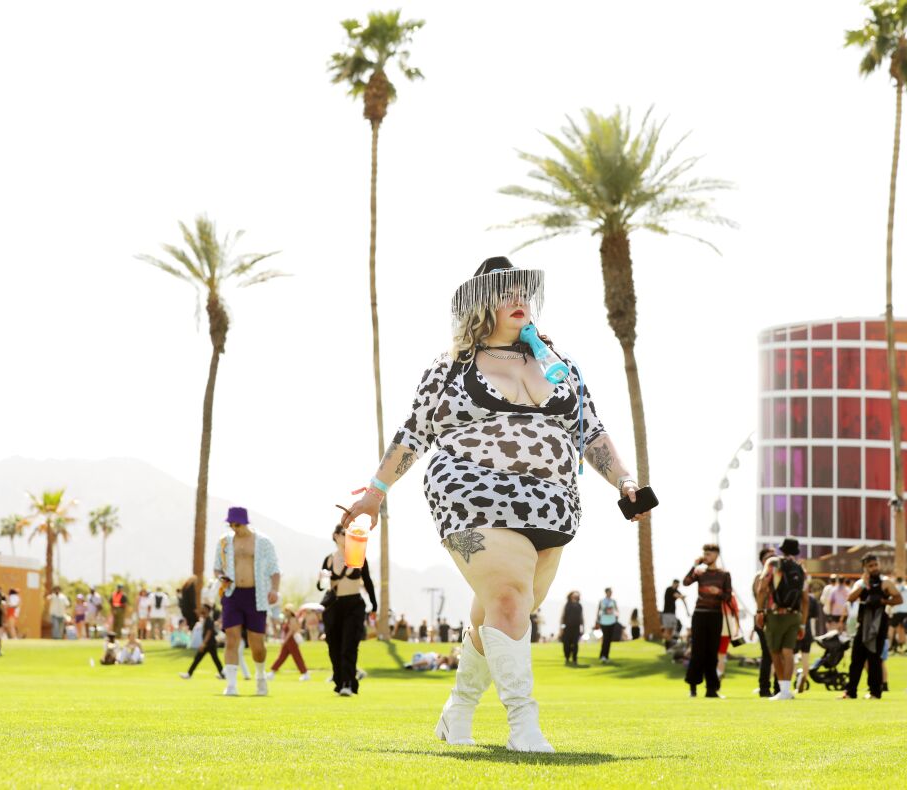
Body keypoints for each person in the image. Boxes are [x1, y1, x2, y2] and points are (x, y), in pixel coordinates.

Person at [339, 256, 644, 753]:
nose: (519, 299)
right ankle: (524, 724)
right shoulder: (451, 367)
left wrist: (625, 482)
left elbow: (590, 432)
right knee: (507, 596)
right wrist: (375, 495)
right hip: (468, 489)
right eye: (506, 292)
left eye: (524, 290)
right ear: (482, 304)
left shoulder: (559, 366)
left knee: (506, 611)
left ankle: (456, 711)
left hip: (551, 502)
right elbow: (414, 432)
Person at [212, 506, 280, 696]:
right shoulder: (224, 542)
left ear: (246, 522)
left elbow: (275, 569)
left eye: (238, 524)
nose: (234, 527)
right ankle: (231, 685)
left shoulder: (263, 542)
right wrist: (220, 578)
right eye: (231, 524)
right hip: (232, 594)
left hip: (256, 595)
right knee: (231, 637)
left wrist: (274, 589)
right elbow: (217, 568)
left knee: (256, 642)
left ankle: (260, 678)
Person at [318, 524, 378, 696]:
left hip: (354, 606)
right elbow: (321, 587)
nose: (347, 536)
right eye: (344, 533)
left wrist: (374, 605)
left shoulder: (359, 556)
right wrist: (322, 580)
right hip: (333, 607)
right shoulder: (328, 559)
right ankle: (339, 680)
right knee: (334, 647)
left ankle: (348, 683)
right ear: (336, 535)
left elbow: (368, 581)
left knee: (349, 646)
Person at [842, 554, 902, 700]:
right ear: (865, 568)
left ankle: (875, 692)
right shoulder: (861, 583)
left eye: (876, 565)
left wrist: (882, 601)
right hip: (863, 625)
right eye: (870, 566)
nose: (874, 568)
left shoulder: (885, 582)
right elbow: (850, 598)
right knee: (856, 659)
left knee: (875, 659)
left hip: (879, 625)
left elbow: (898, 599)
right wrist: (864, 584)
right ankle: (851, 692)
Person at [755, 538, 808, 701]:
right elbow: (805, 599)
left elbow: (763, 587)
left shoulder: (773, 563)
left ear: (782, 549)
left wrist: (759, 611)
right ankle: (786, 691)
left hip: (776, 614)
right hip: (794, 615)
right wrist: (803, 624)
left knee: (775, 651)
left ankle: (783, 690)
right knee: (789, 651)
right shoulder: (800, 569)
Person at [683, 544, 732, 698]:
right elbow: (686, 582)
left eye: (709, 554)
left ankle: (712, 690)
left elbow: (728, 597)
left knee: (712, 653)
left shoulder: (724, 574)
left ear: (716, 555)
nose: (706, 556)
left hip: (715, 615)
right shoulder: (699, 572)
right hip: (699, 615)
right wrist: (694, 565)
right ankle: (693, 688)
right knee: (697, 651)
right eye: (704, 553)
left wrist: (719, 592)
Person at [752, 548, 779, 698]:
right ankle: (764, 688)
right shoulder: (760, 576)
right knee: (768, 655)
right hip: (763, 618)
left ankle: (779, 688)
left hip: (777, 617)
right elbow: (759, 595)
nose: (773, 560)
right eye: (769, 557)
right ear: (763, 561)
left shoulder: (778, 575)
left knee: (778, 654)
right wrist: (760, 614)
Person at [179, 603, 224, 680]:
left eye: (203, 608)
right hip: (209, 644)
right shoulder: (206, 619)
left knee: (199, 658)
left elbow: (209, 633)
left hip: (209, 644)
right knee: (213, 660)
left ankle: (189, 674)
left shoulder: (209, 620)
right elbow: (197, 613)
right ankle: (223, 675)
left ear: (207, 610)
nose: (202, 610)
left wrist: (203, 643)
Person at [266, 605, 309, 681]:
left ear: (290, 611)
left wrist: (284, 640)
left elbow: (291, 631)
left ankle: (305, 673)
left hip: (291, 640)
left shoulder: (292, 619)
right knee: (281, 657)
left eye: (286, 611)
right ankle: (272, 672)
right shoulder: (287, 619)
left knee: (297, 657)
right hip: (288, 641)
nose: (285, 612)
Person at [597, 588, 621, 664]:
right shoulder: (602, 601)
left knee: (609, 639)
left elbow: (617, 610)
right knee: (605, 639)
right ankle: (602, 655)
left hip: (612, 622)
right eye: (609, 592)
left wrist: (616, 617)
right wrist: (598, 621)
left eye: (611, 592)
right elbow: (599, 611)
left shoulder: (613, 601)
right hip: (604, 622)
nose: (610, 593)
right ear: (606, 592)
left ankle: (606, 656)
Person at [560, 591, 583, 665]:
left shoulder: (579, 605)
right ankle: (567, 657)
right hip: (567, 627)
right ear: (570, 596)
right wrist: (561, 628)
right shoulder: (567, 605)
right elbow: (563, 617)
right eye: (574, 595)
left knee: (575, 643)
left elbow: (581, 617)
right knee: (566, 643)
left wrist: (582, 627)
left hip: (576, 627)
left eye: (577, 595)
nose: (575, 596)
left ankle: (574, 659)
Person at [890, 577, 907, 653]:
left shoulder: (894, 588)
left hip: (896, 612)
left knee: (892, 629)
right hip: (906, 611)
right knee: (905, 630)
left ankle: (890, 646)